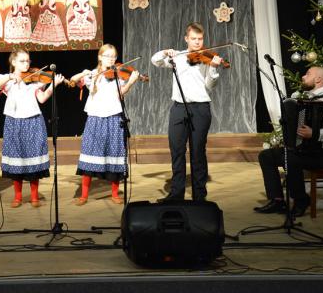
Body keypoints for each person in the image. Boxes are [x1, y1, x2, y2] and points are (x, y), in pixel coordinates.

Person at [254, 67, 323, 217]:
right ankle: (277, 200)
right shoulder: (309, 99)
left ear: (318, 80)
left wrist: (315, 134)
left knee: (290, 158)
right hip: (311, 151)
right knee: (266, 156)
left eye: (307, 74)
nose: (303, 76)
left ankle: (301, 200)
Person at [151, 22, 223, 202]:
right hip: (179, 107)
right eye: (193, 39)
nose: (197, 42)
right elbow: (155, 60)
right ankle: (176, 193)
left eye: (200, 39)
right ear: (186, 39)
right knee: (177, 150)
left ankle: (199, 195)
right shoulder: (179, 57)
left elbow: (210, 86)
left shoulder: (208, 57)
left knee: (198, 151)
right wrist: (166, 52)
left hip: (200, 108)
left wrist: (213, 68)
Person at [70, 44, 139, 205]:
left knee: (114, 154)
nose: (111, 59)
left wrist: (131, 82)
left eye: (114, 56)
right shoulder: (92, 75)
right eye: (107, 56)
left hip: (114, 117)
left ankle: (114, 194)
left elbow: (120, 94)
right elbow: (73, 81)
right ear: (100, 57)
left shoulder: (118, 75)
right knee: (89, 153)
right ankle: (84, 195)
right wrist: (84, 72)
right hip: (95, 118)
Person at [0, 49, 64, 208]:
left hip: (33, 121)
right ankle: (18, 197)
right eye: (22, 61)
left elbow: (42, 98)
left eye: (28, 61)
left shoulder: (35, 79)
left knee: (34, 159)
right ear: (13, 62)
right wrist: (12, 76)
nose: (26, 64)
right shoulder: (7, 80)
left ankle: (34, 197)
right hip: (14, 122)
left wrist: (54, 84)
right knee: (16, 159)